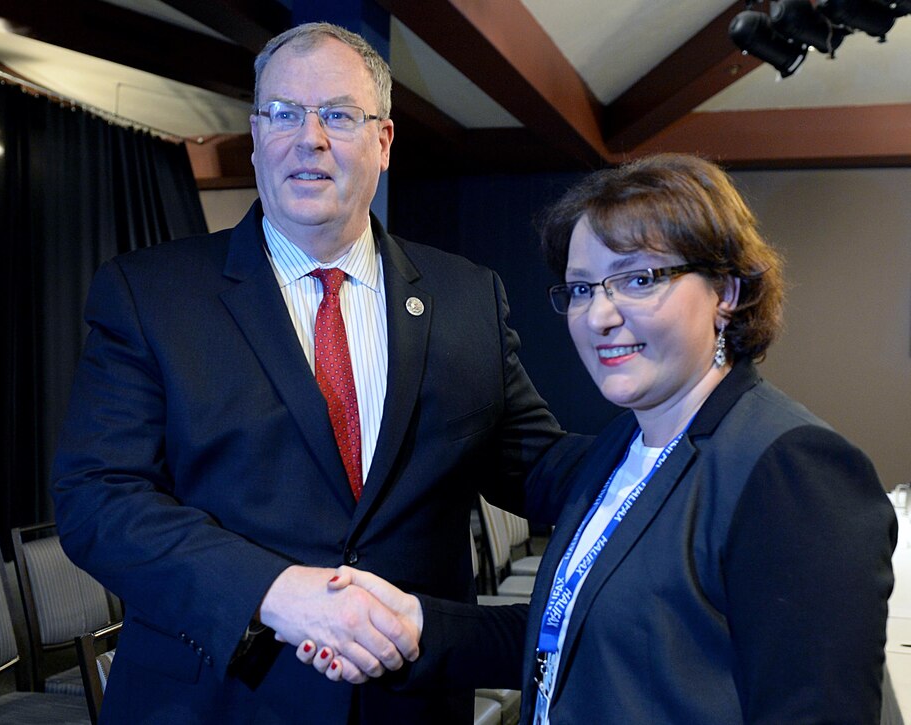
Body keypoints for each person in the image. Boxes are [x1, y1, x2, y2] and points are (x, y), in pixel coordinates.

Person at [50, 20, 585, 724]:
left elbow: (539, 466)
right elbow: (98, 498)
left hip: (407, 701)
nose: (311, 137)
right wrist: (270, 589)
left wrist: (674, 453)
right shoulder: (150, 294)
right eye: (284, 113)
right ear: (255, 131)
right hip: (214, 697)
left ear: (384, 141)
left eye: (338, 113)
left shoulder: (466, 297)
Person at [300, 153, 898, 724]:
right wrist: (416, 624)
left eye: (637, 279)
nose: (599, 315)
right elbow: (583, 633)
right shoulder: (619, 450)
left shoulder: (791, 469)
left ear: (726, 292)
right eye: (582, 288)